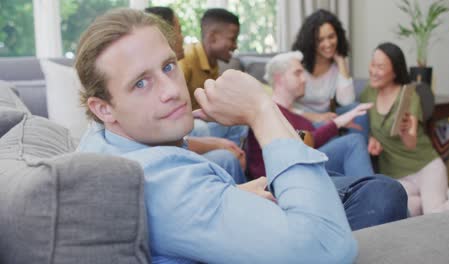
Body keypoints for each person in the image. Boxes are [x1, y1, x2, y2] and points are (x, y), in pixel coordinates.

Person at [75, 8, 357, 263]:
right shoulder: (166, 184)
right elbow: (328, 248)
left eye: (168, 67)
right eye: (140, 83)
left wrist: (234, 194)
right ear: (103, 109)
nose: (172, 90)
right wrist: (261, 110)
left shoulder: (100, 140)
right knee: (379, 195)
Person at [246, 51, 408, 230]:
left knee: (354, 141)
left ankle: (372, 196)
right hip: (278, 180)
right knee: (352, 142)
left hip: (310, 168)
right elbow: (295, 146)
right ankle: (372, 194)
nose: (305, 79)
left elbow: (310, 141)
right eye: (297, 73)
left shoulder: (301, 118)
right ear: (279, 78)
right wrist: (339, 122)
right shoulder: (267, 112)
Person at [360, 42, 449, 216]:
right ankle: (444, 195)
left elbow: (411, 143)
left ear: (395, 71)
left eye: (380, 67)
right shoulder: (368, 93)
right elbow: (365, 124)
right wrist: (371, 138)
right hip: (397, 176)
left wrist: (405, 131)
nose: (373, 71)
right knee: (408, 209)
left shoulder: (409, 96)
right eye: (372, 64)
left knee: (434, 214)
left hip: (425, 166)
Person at [145, 6, 246, 183]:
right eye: (179, 31)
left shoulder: (210, 64)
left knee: (237, 123)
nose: (183, 37)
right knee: (203, 128)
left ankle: (238, 164)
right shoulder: (183, 65)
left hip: (186, 130)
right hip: (187, 129)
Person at [292, 9, 368, 138]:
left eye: (331, 37)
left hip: (326, 118)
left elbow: (347, 102)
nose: (327, 44)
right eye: (320, 40)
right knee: (321, 132)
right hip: (298, 121)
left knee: (358, 110)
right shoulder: (296, 62)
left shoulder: (337, 65)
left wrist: (340, 61)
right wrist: (315, 117)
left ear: (338, 36)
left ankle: (360, 147)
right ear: (311, 41)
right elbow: (281, 107)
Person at [178, 7, 247, 146]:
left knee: (240, 121)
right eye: (232, 39)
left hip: (201, 123)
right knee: (201, 127)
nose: (235, 46)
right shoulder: (186, 60)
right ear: (212, 37)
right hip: (184, 127)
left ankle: (234, 155)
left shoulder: (213, 64)